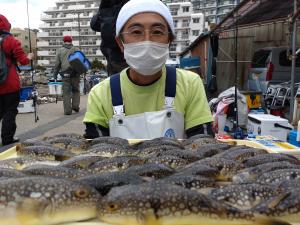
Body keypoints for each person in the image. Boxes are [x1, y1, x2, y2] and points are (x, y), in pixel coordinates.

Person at [83, 0, 213, 139]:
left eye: (157, 32)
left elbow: (203, 146)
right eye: (136, 32)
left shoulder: (190, 84)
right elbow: (96, 153)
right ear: (120, 43)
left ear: (169, 40)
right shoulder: (101, 94)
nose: (147, 41)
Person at [0, 14, 34, 146]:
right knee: (10, 111)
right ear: (7, 25)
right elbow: (23, 60)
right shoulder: (11, 41)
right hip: (9, 83)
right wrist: (29, 56)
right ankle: (7, 138)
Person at [90, 0, 128, 76]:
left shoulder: (107, 5)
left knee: (115, 82)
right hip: (124, 52)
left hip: (111, 52)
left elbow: (94, 24)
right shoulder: (128, 6)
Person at [53, 36, 80, 115]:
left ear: (64, 41)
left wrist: (55, 75)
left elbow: (57, 64)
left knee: (66, 93)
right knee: (76, 90)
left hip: (65, 74)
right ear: (71, 41)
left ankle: (68, 111)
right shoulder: (76, 49)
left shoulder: (60, 50)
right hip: (75, 74)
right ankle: (75, 106)